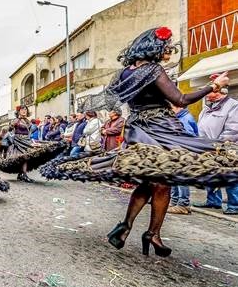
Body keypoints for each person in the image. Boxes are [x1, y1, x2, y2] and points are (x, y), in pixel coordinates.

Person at [41, 27, 237, 257]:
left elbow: (111, 98)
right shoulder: (152, 70)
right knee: (164, 181)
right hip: (159, 130)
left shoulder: (124, 73)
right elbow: (181, 99)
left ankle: (127, 227)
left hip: (137, 130)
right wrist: (214, 86)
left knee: (151, 180)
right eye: (166, 46)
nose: (169, 50)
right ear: (155, 47)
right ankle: (151, 233)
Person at [193, 87, 238, 215]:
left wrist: (219, 145)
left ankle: (234, 205)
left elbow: (233, 129)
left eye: (210, 91)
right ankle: (213, 201)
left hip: (226, 148)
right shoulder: (208, 107)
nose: (205, 94)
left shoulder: (233, 106)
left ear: (221, 93)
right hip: (208, 147)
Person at [0, 106, 65, 182]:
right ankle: (23, 174)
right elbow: (9, 130)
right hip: (18, 141)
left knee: (27, 157)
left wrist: (39, 126)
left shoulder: (28, 121)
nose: (24, 111)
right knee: (24, 157)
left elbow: (32, 130)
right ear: (18, 112)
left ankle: (21, 174)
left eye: (25, 110)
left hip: (27, 140)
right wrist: (10, 127)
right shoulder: (16, 120)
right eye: (22, 110)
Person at [168, 104, 198, 215]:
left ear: (179, 107)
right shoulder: (179, 118)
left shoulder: (185, 119)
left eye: (171, 108)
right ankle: (175, 202)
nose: (170, 110)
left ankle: (183, 204)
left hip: (183, 153)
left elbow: (188, 137)